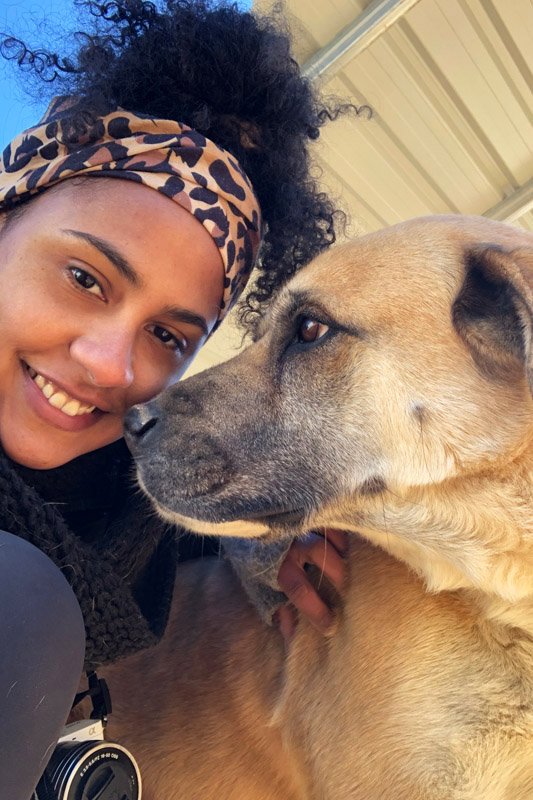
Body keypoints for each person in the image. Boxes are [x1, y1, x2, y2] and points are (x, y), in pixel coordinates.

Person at [0, 2, 357, 797]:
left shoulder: (124, 524)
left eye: (166, 335)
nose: (108, 364)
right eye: (84, 278)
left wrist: (265, 539)